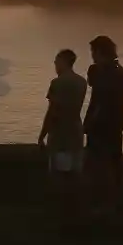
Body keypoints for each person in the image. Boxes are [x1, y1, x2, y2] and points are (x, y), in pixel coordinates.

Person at [37, 48, 88, 211]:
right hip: (76, 131)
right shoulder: (82, 82)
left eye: (56, 62)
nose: (55, 65)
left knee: (59, 175)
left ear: (63, 62)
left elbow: (52, 111)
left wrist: (42, 135)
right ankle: (76, 208)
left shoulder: (57, 83)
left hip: (61, 134)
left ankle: (60, 211)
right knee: (75, 175)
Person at [84, 36, 123, 208]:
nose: (92, 57)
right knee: (113, 162)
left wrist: (88, 124)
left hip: (103, 125)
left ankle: (102, 203)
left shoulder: (108, 73)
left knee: (99, 165)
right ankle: (113, 200)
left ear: (100, 52)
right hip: (115, 123)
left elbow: (101, 102)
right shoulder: (118, 71)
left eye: (93, 52)